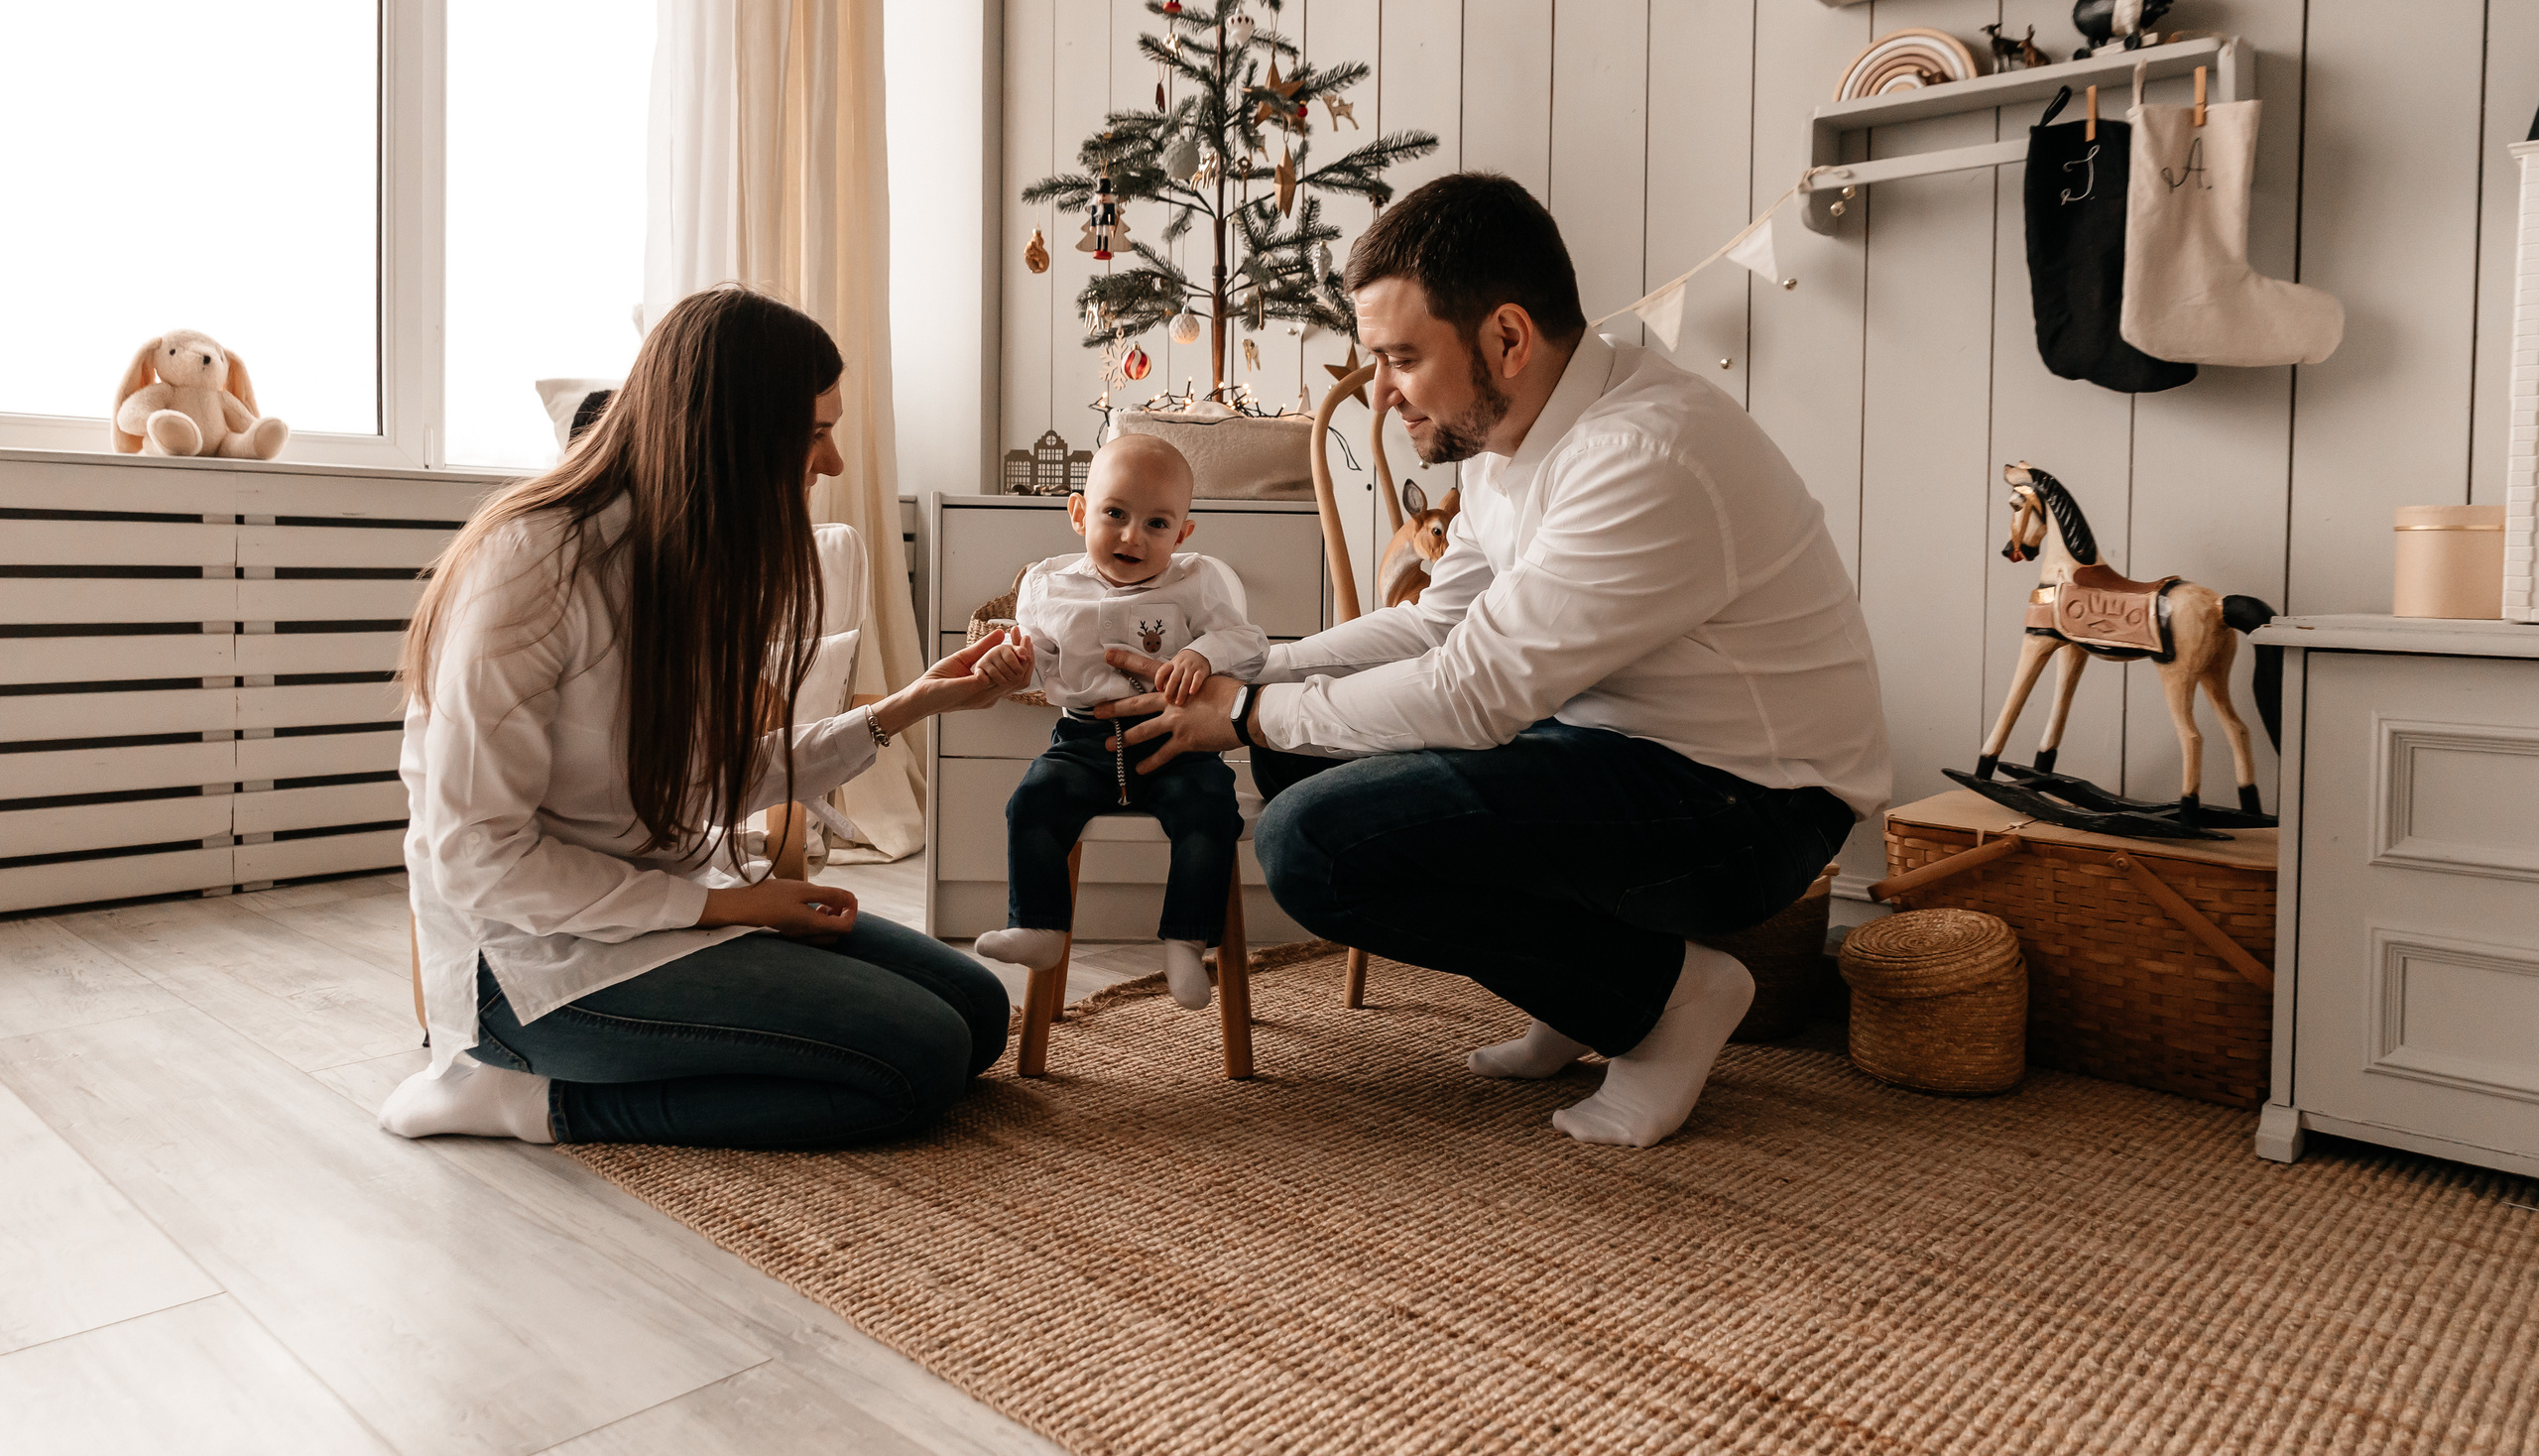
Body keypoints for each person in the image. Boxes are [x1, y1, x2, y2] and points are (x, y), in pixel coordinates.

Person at [1094, 173, 1889, 1149]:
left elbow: (1471, 693)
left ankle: (1671, 1000)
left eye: (1400, 359)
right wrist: (1258, 675)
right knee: (1297, 752)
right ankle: (1585, 992)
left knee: (1311, 844)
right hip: (1613, 750)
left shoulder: (1643, 455)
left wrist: (1245, 709)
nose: (1381, 394)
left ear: (1509, 338)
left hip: (1750, 808)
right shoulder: (1505, 439)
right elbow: (1438, 625)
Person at [379, 286, 1036, 1151]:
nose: (834, 461)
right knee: (921, 1059)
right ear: (732, 432)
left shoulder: (685, 555)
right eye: (814, 432)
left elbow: (709, 776)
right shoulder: (531, 567)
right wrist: (727, 909)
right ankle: (526, 1100)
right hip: (532, 963)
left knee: (978, 1012)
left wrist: (910, 704)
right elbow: (477, 859)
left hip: (663, 907)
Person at [975, 433, 1268, 1011]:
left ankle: (1186, 940)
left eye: (1157, 524)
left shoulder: (1196, 581)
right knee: (1032, 801)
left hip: (1177, 737)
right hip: (1083, 739)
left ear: (1181, 534)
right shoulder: (1048, 583)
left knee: (1211, 812)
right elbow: (1036, 658)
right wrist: (1013, 663)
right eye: (1115, 514)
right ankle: (1039, 925)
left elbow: (1249, 643)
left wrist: (1202, 653)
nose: (1133, 536)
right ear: (1080, 513)